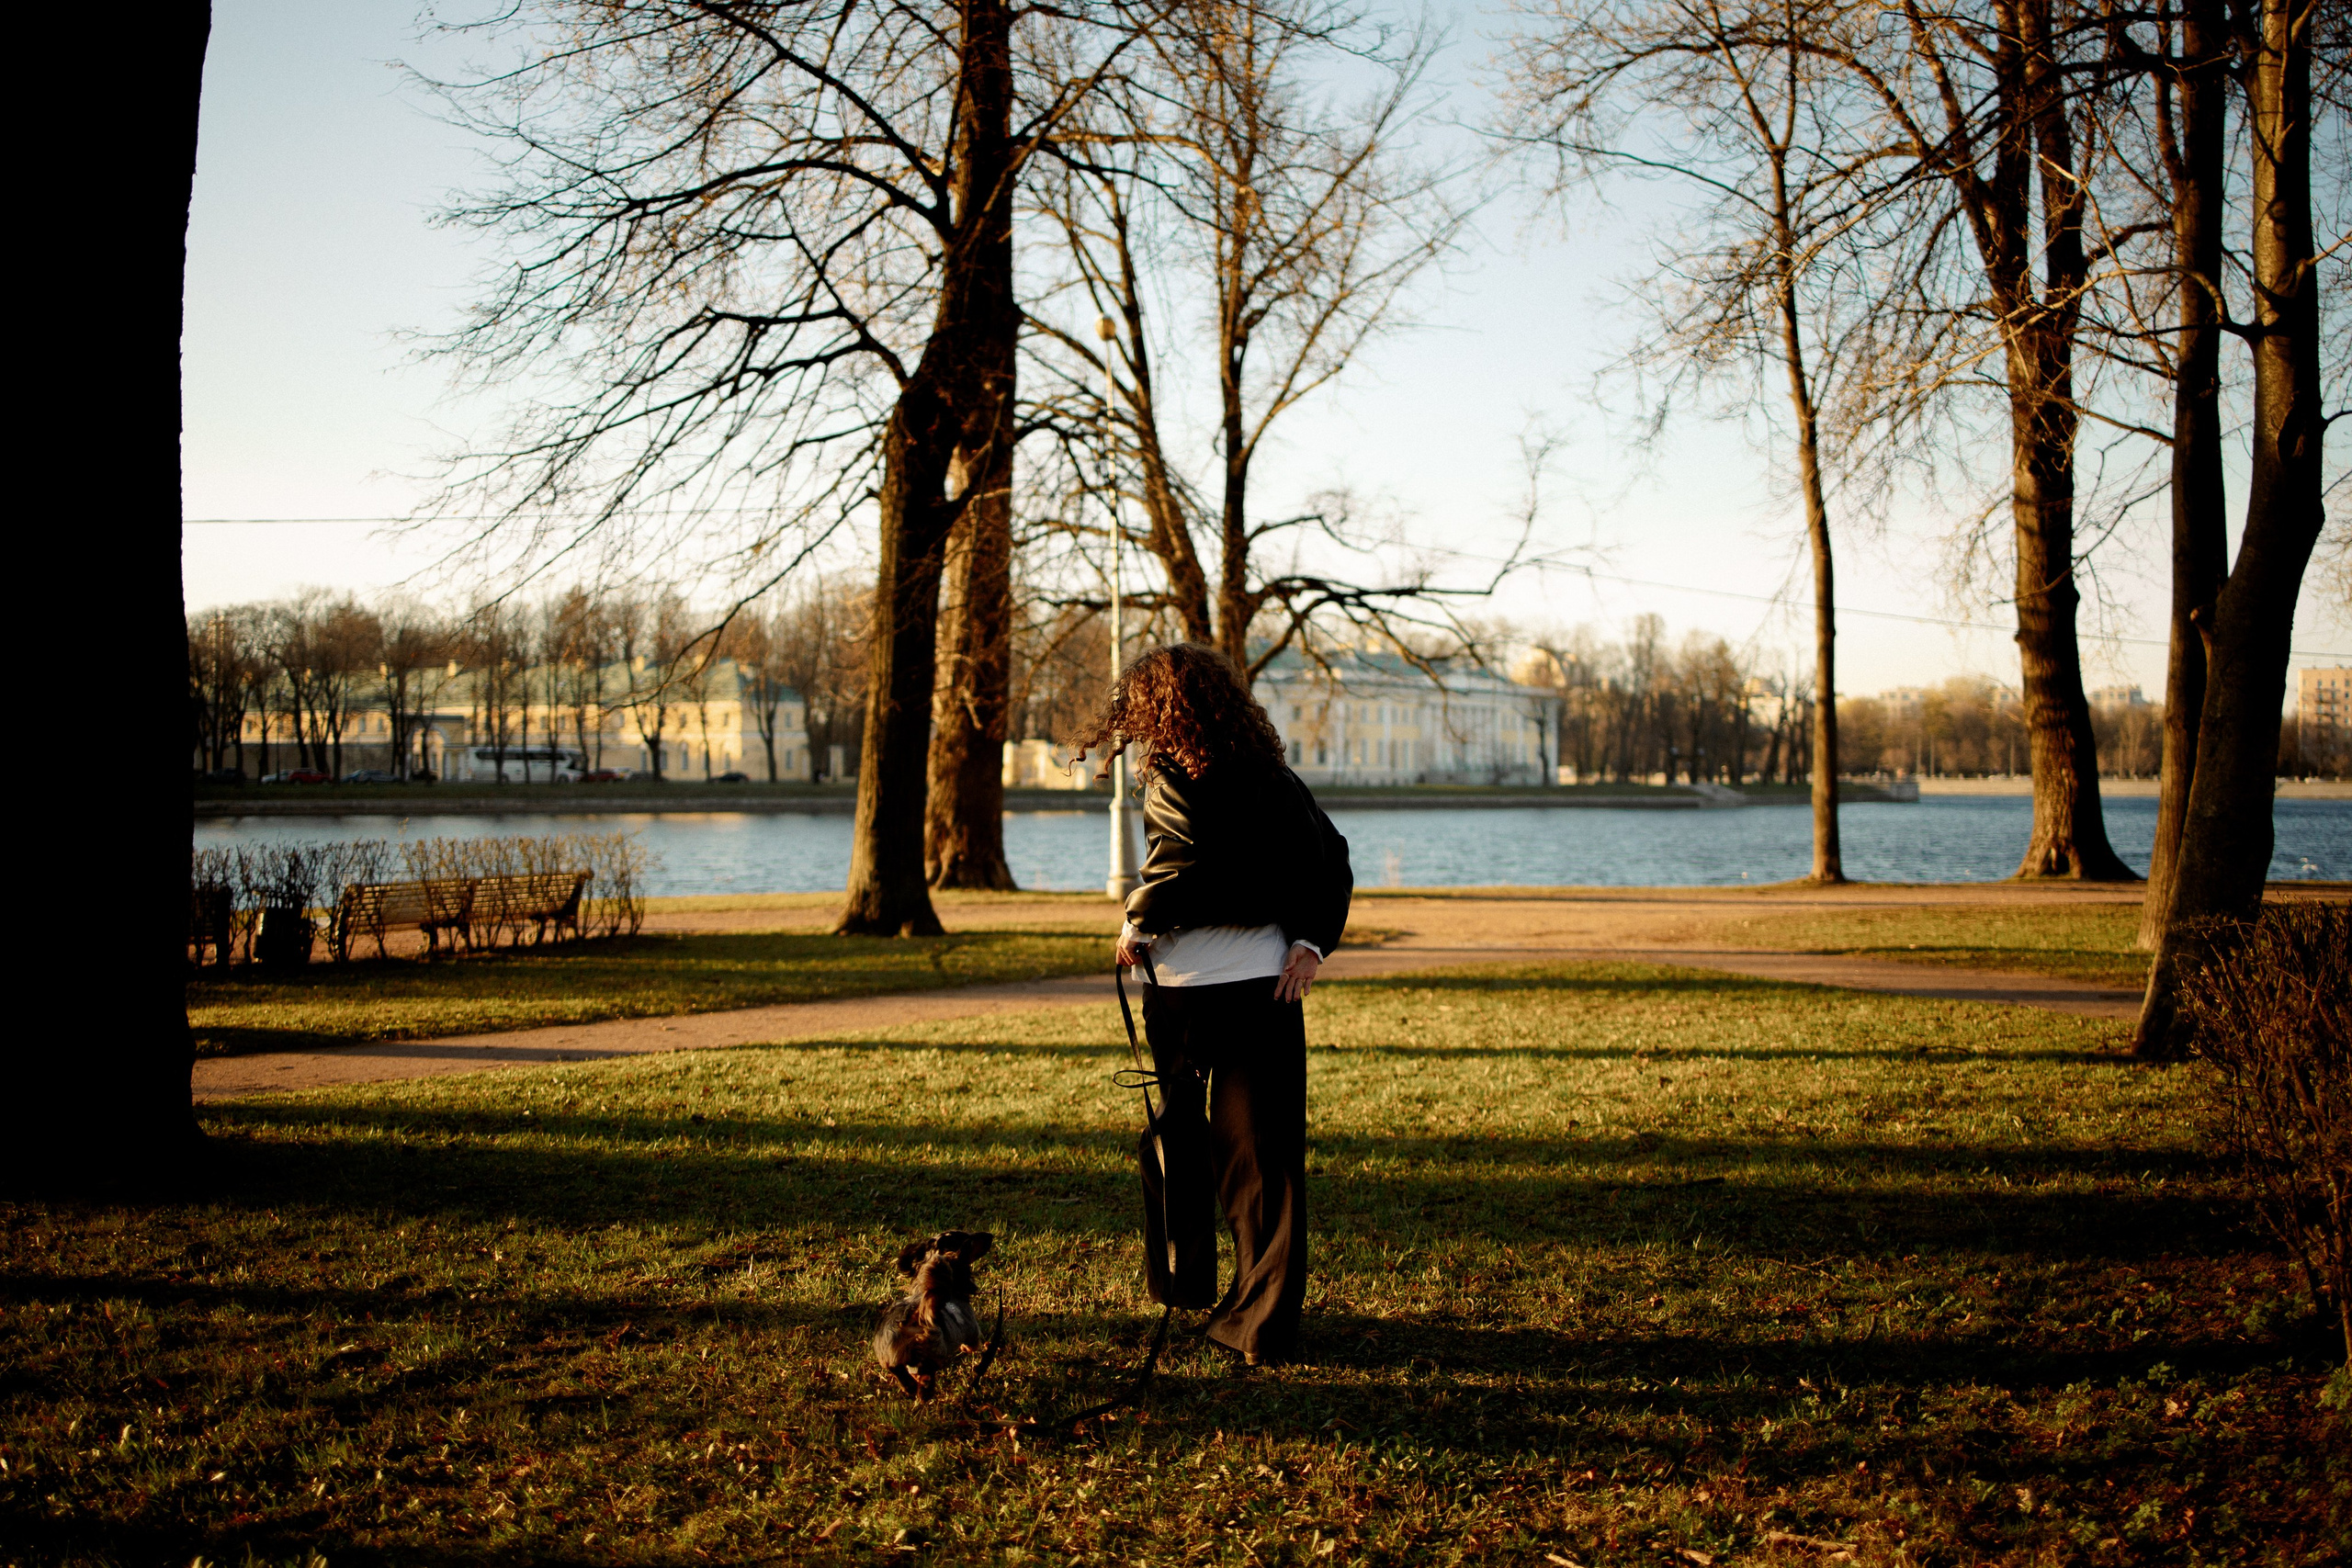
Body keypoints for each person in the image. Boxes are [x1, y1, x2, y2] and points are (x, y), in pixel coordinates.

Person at [1071, 642, 1352, 1366]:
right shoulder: (1273, 777)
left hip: (1187, 990)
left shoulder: (1167, 774)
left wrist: (1136, 916)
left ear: (1159, 708)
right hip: (1261, 986)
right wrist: (1310, 942)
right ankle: (1257, 1322)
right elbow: (1332, 856)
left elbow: (1185, 861)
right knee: (1262, 1160)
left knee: (1181, 1140)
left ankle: (1185, 1286)